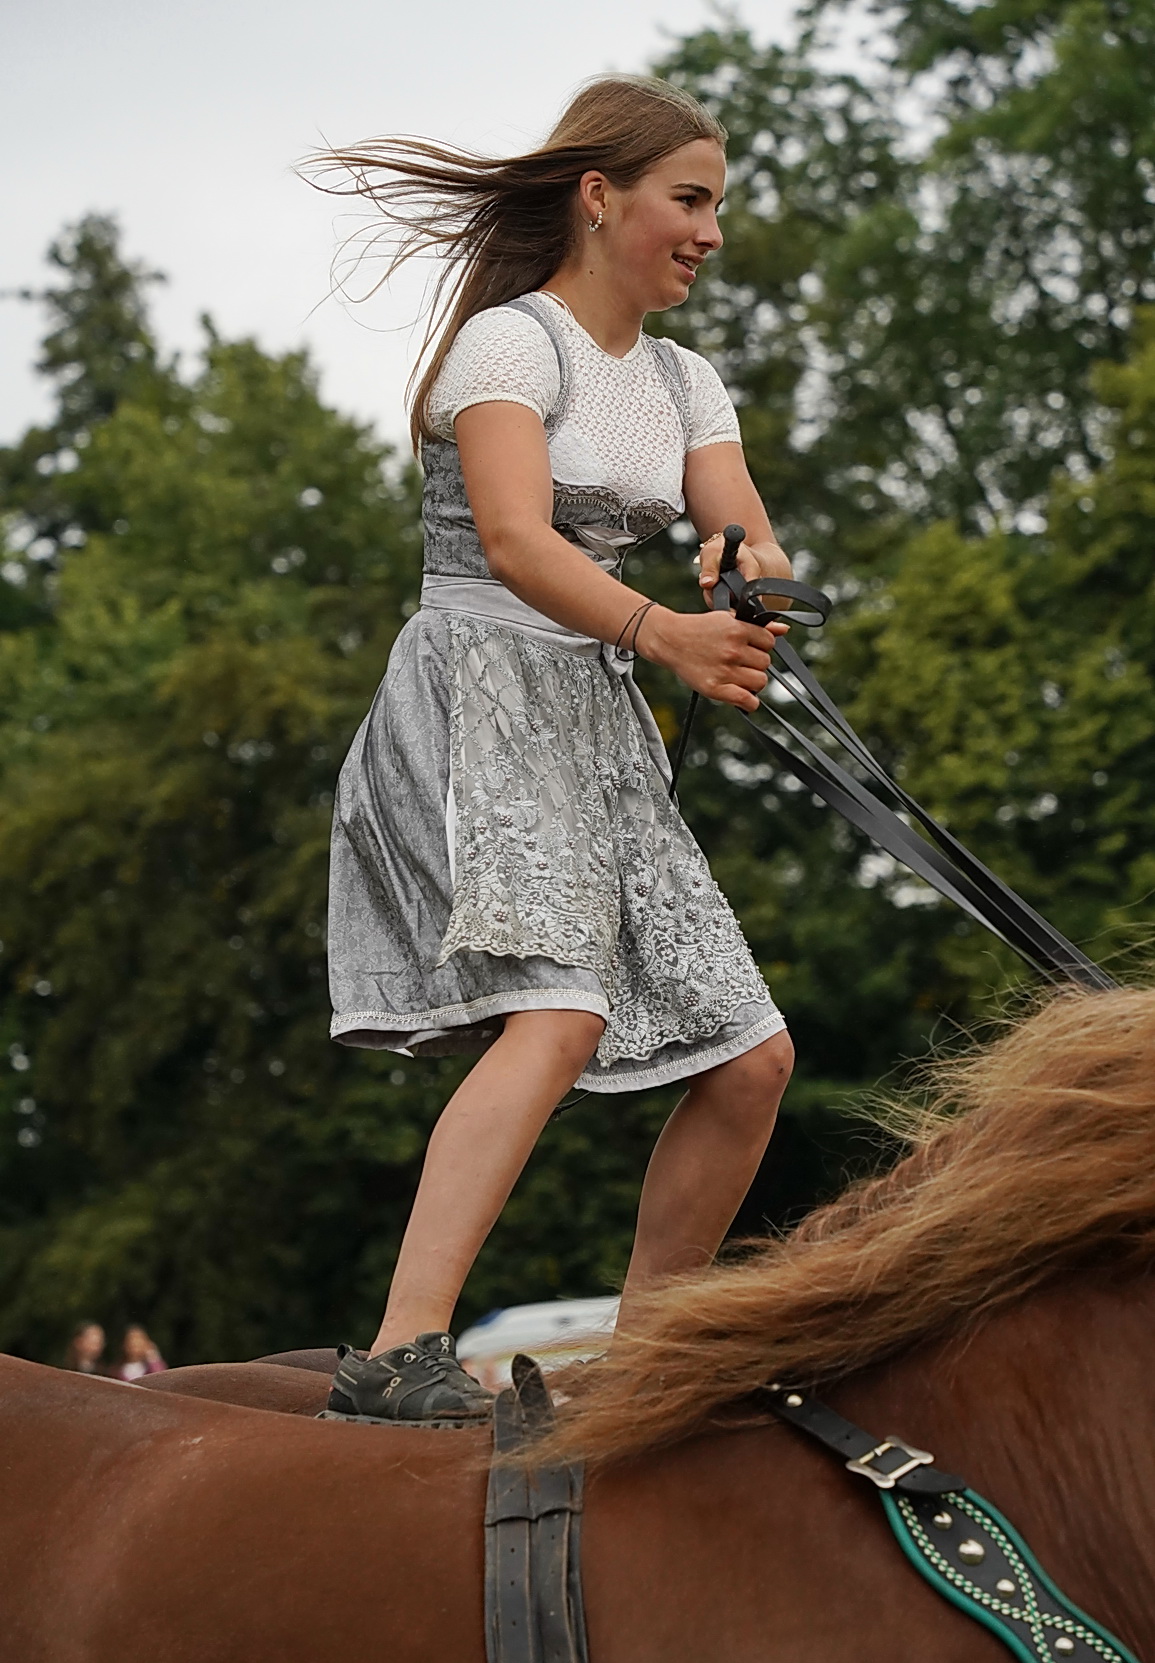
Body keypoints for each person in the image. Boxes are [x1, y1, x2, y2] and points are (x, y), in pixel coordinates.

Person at [308, 75, 796, 1426]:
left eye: (717, 206)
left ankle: (650, 1370)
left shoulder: (688, 379)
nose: (710, 231)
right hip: (478, 694)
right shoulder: (510, 350)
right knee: (563, 1012)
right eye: (688, 200)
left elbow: (749, 530)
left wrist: (741, 572)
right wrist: (668, 632)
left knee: (751, 1058)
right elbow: (518, 540)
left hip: (599, 715)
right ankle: (401, 1350)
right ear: (601, 196)